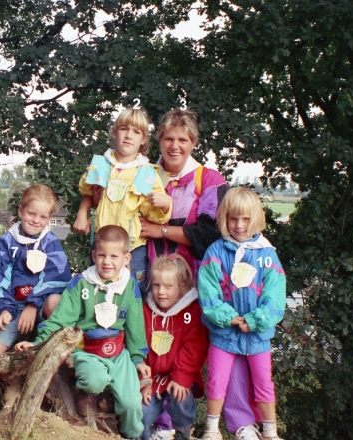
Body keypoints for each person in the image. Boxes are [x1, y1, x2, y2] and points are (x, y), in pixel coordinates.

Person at [138, 108, 261, 440]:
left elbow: (208, 234)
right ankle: (163, 422)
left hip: (200, 281)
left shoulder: (210, 179)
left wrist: (159, 230)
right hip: (155, 280)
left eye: (182, 139)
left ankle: (240, 422)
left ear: (193, 142)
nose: (174, 146)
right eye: (167, 138)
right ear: (158, 141)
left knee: (223, 346)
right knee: (158, 345)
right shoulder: (145, 173)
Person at [16, 225, 149, 440]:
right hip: (87, 350)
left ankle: (130, 435)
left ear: (126, 259)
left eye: (114, 256)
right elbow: (61, 319)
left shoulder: (129, 284)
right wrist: (38, 343)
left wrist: (137, 358)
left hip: (118, 354)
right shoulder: (81, 283)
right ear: (94, 255)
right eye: (102, 255)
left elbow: (135, 325)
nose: (107, 262)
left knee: (131, 405)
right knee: (94, 380)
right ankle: (85, 392)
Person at [0, 184, 72, 423]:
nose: (36, 220)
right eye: (31, 213)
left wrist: (33, 304)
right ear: (21, 211)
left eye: (43, 216)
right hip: (13, 306)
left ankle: (50, 346)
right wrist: (4, 310)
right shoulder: (7, 242)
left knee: (56, 301)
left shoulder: (50, 243)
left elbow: (57, 278)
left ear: (49, 219)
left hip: (39, 306)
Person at [198, 187, 286, 440]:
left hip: (257, 337)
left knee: (263, 383)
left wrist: (256, 320)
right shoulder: (215, 252)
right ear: (224, 218)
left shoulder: (267, 254)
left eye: (245, 219)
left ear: (255, 218)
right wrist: (228, 317)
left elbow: (276, 293)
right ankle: (211, 430)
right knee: (216, 381)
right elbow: (208, 291)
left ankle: (270, 431)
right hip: (224, 334)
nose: (238, 225)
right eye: (233, 218)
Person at [74, 107, 171, 293]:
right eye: (124, 128)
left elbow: (155, 215)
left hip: (132, 248)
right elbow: (88, 193)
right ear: (114, 132)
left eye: (136, 132)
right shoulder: (102, 165)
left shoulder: (147, 172)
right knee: (97, 289)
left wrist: (165, 204)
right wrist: (81, 213)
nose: (129, 135)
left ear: (143, 139)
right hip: (102, 244)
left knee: (132, 292)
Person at [141, 255, 209, 440]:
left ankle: (183, 431)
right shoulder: (146, 310)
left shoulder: (192, 311)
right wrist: (143, 382)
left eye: (168, 286)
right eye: (156, 285)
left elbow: (194, 348)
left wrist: (181, 377)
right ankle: (144, 434)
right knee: (141, 413)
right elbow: (139, 346)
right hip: (152, 378)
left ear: (182, 287)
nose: (161, 292)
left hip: (179, 376)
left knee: (180, 398)